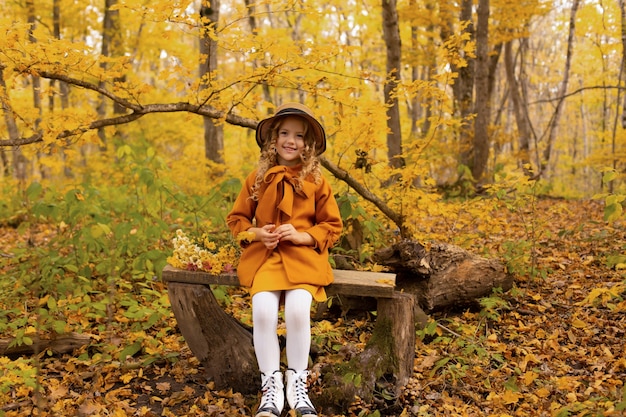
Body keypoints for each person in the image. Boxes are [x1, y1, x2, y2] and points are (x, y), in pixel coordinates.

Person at [227, 102, 343, 417]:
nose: (291, 141)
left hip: (304, 258)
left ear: (309, 144)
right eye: (284, 133)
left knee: (296, 311)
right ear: (273, 139)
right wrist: (256, 234)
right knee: (263, 311)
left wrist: (303, 235)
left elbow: (332, 226)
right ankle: (271, 388)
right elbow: (237, 221)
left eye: (299, 136)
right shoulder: (257, 178)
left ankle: (298, 385)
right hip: (267, 257)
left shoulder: (318, 181)